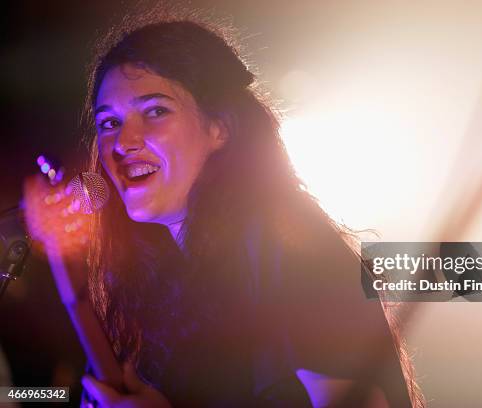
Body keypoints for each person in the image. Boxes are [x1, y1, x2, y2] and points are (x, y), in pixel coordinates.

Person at [24, 12, 421, 408]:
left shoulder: (294, 250)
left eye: (156, 111)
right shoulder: (161, 277)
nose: (123, 142)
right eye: (109, 122)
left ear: (219, 129)